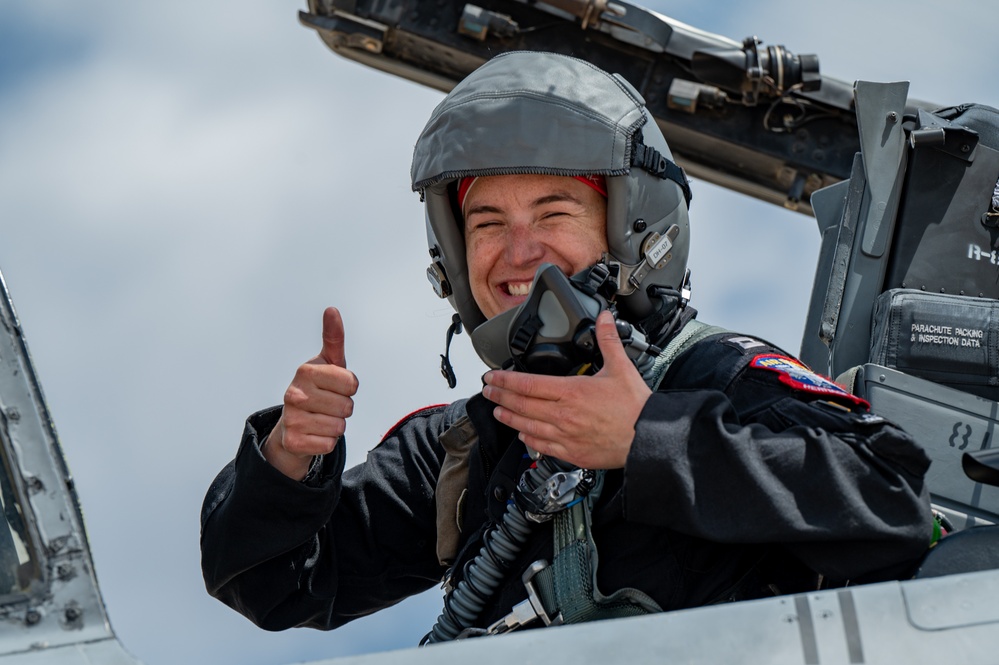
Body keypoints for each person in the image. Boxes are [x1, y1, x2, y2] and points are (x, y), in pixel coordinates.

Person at [200, 51, 933, 641]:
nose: (518, 253)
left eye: (552, 211)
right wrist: (291, 460)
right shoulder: (469, 444)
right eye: (486, 224)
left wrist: (648, 440)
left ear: (636, 228)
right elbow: (273, 582)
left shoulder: (720, 374)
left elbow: (893, 499)